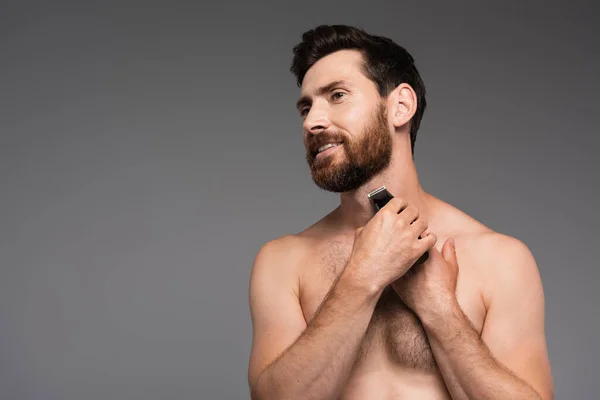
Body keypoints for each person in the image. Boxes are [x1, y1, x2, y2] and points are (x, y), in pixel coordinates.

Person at [247, 24, 553, 400]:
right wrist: (362, 276)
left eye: (337, 95)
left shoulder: (500, 259)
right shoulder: (283, 262)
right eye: (306, 108)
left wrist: (439, 309)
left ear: (401, 106)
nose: (312, 122)